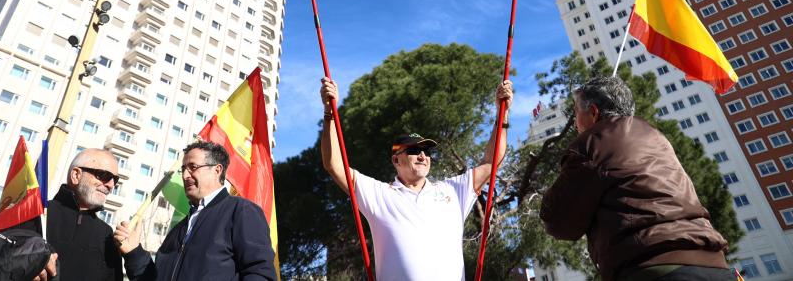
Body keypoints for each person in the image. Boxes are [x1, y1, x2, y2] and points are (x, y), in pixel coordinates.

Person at [540, 76, 732, 281]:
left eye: (576, 112)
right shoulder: (657, 136)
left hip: (654, 267)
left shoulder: (593, 142)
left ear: (594, 112)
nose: (576, 123)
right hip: (716, 264)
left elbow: (559, 222)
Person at [319, 77, 513, 281]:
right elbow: (334, 164)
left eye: (427, 151)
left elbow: (491, 163)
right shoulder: (379, 195)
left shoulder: (453, 191)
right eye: (414, 150)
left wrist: (503, 113)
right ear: (396, 160)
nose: (423, 156)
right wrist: (329, 114)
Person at [115, 140, 277, 281]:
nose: (185, 175)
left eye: (193, 167)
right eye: (183, 168)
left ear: (217, 170)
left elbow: (259, 272)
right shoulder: (177, 231)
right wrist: (134, 253)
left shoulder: (241, 211)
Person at [43, 148, 123, 280]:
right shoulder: (37, 213)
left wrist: (133, 254)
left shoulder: (106, 235)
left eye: (115, 179)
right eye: (103, 175)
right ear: (76, 175)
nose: (111, 185)